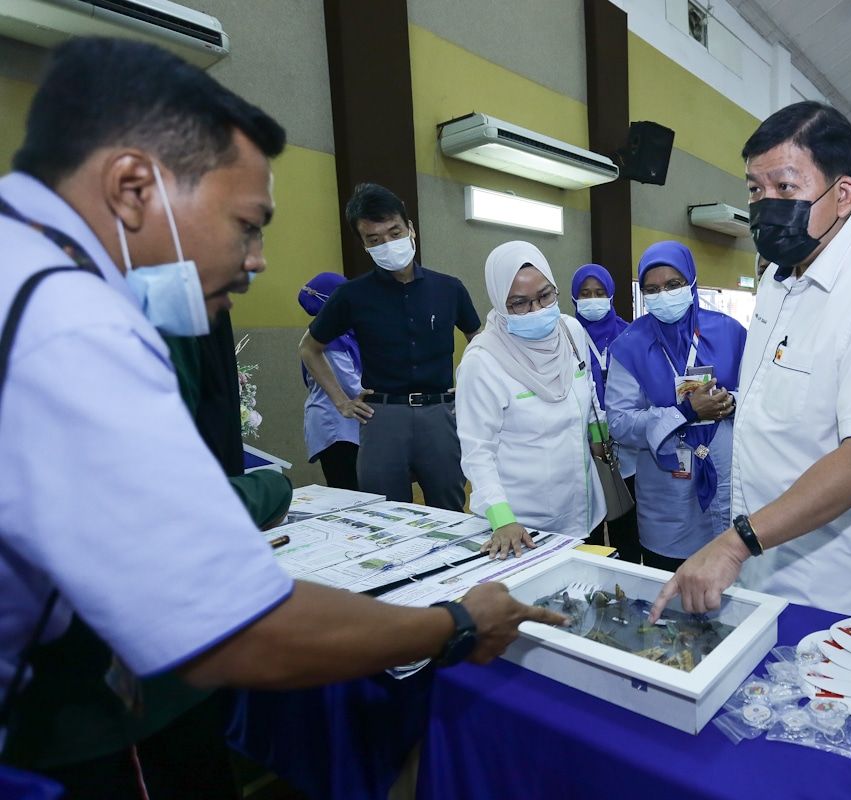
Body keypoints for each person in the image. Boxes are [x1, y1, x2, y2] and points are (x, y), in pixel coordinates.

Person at [0, 37, 562, 796]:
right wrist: (456, 624)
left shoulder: (31, 271)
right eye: (248, 223)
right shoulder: (71, 324)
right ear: (134, 188)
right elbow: (231, 628)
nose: (259, 258)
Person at [651, 101, 851, 620]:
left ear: (843, 195)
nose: (766, 205)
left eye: (786, 188)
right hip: (761, 553)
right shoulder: (779, 278)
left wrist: (735, 543)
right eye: (755, 189)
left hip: (831, 577)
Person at [300, 183, 481, 509]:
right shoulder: (352, 296)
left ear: (410, 229)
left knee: (450, 506)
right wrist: (341, 402)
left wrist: (470, 386)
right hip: (381, 416)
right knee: (383, 511)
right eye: (374, 240)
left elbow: (478, 340)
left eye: (394, 232)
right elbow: (309, 348)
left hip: (440, 413)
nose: (387, 243)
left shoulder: (449, 289)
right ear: (365, 246)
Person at [456, 241, 606, 557]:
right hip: (522, 524)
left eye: (545, 296)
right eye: (520, 303)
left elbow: (587, 386)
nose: (537, 310)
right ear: (499, 302)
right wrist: (502, 519)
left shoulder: (571, 331)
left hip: (581, 503)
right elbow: (476, 450)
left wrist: (597, 435)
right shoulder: (483, 360)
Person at [606, 242, 745, 571]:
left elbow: (762, 392)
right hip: (666, 487)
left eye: (673, 285)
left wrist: (730, 402)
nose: (663, 296)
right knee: (668, 587)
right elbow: (621, 423)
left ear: (692, 283)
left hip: (726, 473)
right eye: (651, 289)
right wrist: (685, 412)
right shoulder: (629, 345)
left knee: (727, 578)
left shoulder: (730, 332)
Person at [571, 263, 640, 563]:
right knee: (591, 525)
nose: (592, 299)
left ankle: (629, 578)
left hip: (627, 444)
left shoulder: (629, 334)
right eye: (585, 293)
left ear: (611, 295)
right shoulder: (566, 337)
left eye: (599, 292)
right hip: (582, 445)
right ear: (574, 298)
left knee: (626, 518)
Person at [298, 272, 362, 490]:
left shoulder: (343, 333)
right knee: (348, 489)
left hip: (346, 424)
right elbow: (351, 385)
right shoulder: (329, 337)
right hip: (337, 426)